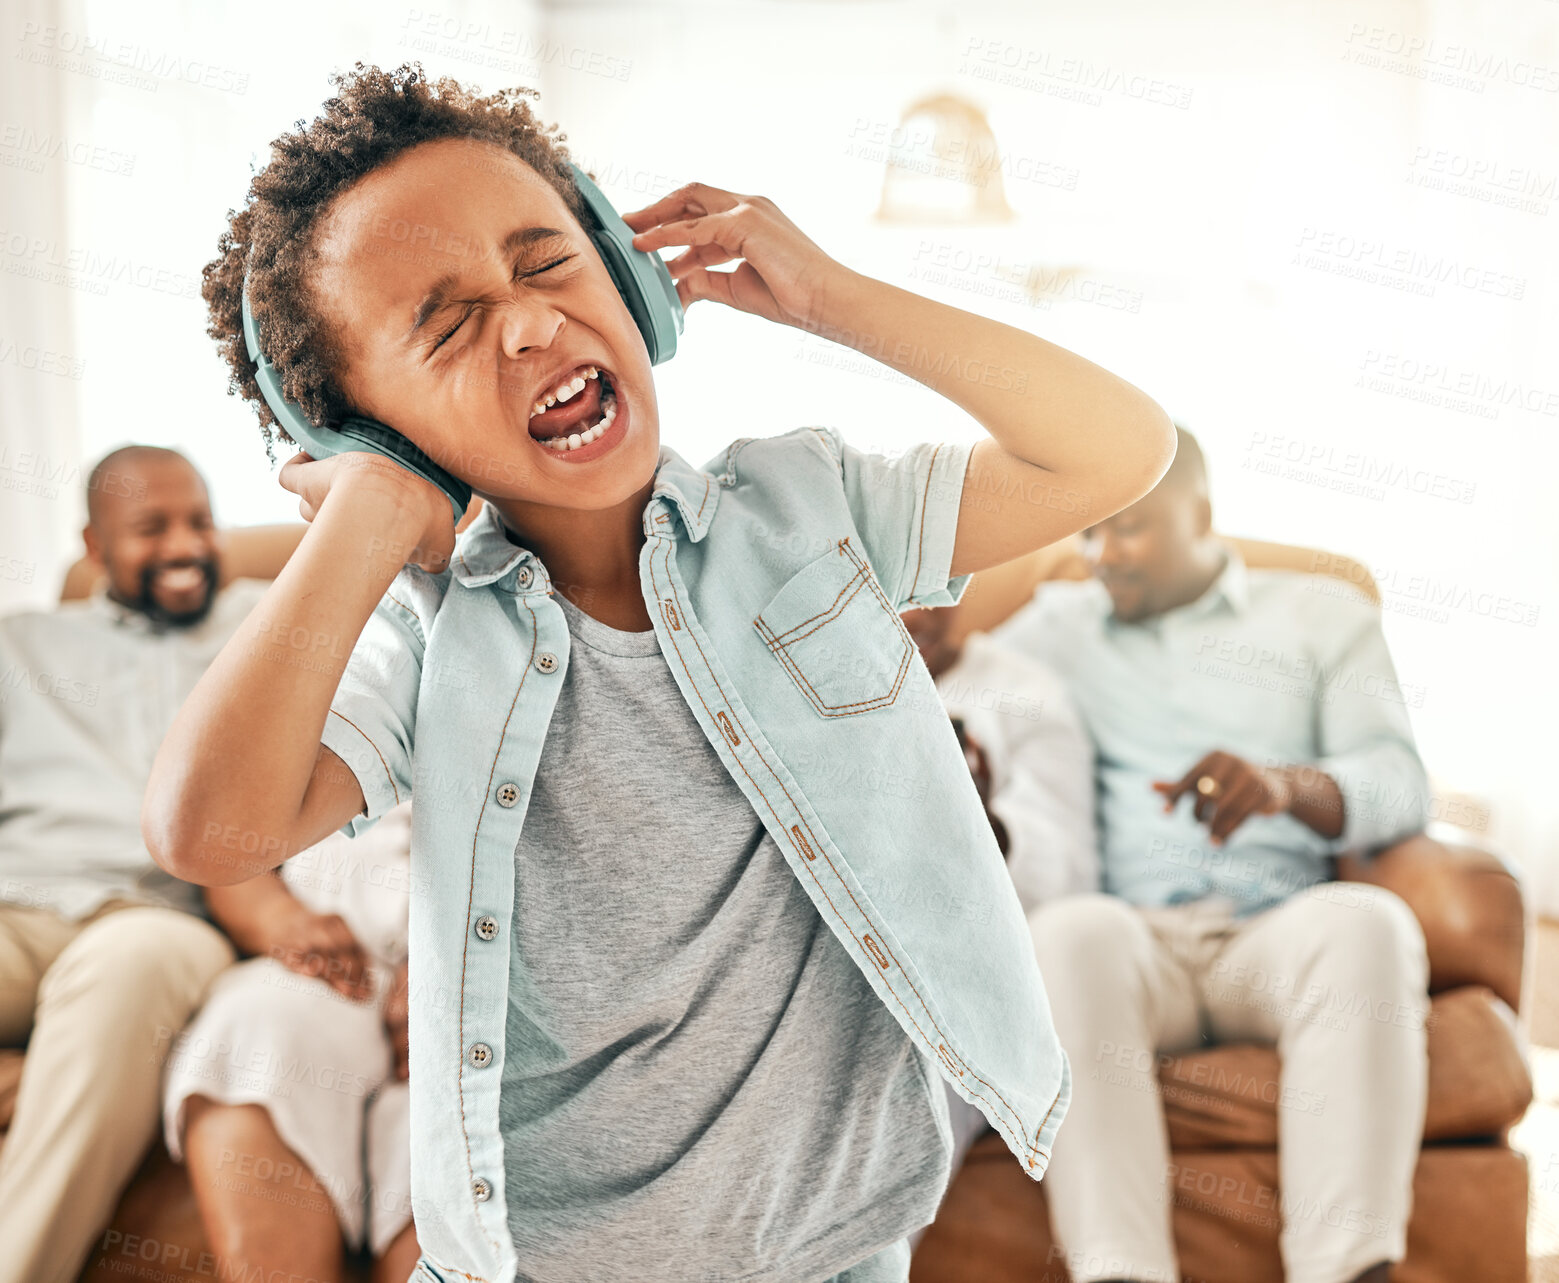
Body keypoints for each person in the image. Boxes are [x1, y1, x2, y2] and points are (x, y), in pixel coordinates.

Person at [143, 61, 1176, 1283]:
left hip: (835, 1256)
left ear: (629, 276)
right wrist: (367, 509)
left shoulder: (811, 512)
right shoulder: (428, 639)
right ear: (365, 428)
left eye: (545, 261)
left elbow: (1114, 451)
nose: (528, 321)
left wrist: (833, 298)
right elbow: (208, 824)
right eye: (446, 321)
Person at [990, 426, 1432, 1283]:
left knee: (1368, 923)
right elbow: (958, 689)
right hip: (1135, 943)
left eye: (1130, 528)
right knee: (1066, 933)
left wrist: (1283, 786)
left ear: (1201, 513)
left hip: (1276, 936)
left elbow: (1398, 780)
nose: (1102, 553)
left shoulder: (1320, 614)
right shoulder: (1054, 626)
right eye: (1090, 531)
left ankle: (1348, 1270)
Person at [0, 446, 269, 1283]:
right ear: (93, 545)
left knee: (128, 964)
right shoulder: (22, 645)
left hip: (162, 917)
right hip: (21, 904)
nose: (185, 545)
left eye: (199, 520)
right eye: (152, 528)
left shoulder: (271, 621)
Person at [899, 598, 1099, 1253]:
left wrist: (987, 829)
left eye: (923, 592)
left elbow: (1064, 884)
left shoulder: (1024, 694)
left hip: (966, 990)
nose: (908, 616)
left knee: (909, 1093)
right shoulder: (805, 677)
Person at [161, 798, 418, 1282]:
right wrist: (279, 918)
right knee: (250, 1028)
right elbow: (226, 847)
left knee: (468, 1086)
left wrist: (462, 970)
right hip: (331, 961)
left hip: (498, 971)